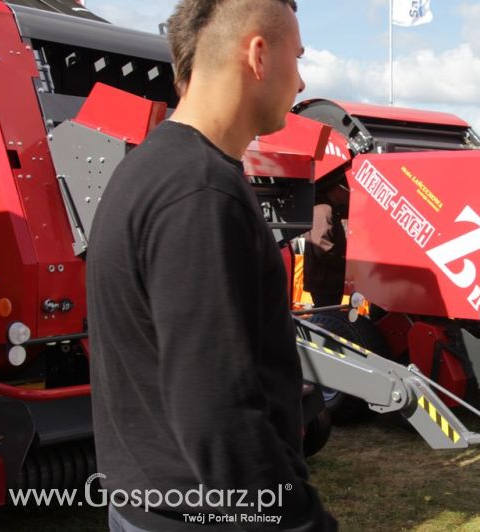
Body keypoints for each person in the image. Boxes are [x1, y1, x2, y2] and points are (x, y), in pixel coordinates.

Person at [86, 1, 337, 530]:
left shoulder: (149, 170)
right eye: (298, 57)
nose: (301, 81)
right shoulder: (199, 193)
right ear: (258, 55)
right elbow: (218, 417)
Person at [303, 182, 349, 307]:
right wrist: (346, 264)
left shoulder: (326, 209)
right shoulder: (324, 210)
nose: (350, 194)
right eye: (348, 190)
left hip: (325, 280)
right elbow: (323, 249)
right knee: (327, 316)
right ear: (338, 190)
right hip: (325, 281)